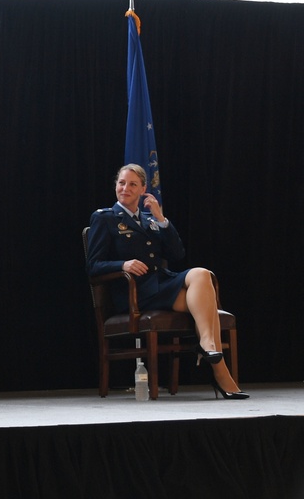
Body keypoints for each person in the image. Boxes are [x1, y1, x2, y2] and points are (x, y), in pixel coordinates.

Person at [86, 163, 247, 400]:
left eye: (132, 184)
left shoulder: (151, 220)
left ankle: (208, 345)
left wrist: (162, 219)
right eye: (121, 183)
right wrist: (123, 264)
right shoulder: (105, 218)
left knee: (202, 274)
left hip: (162, 284)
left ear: (143, 190)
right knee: (207, 302)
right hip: (136, 292)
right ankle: (221, 374)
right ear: (116, 186)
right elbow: (93, 267)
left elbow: (177, 254)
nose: (125, 188)